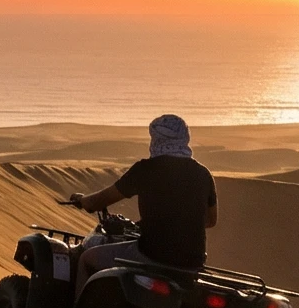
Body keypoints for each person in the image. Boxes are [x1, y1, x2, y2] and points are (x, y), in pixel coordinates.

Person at [64, 113, 218, 269]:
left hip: (151, 256)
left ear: (156, 139)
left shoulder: (145, 169)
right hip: (193, 263)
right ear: (185, 138)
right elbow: (211, 221)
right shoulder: (203, 174)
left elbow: (96, 202)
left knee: (87, 258)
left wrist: (82, 200)